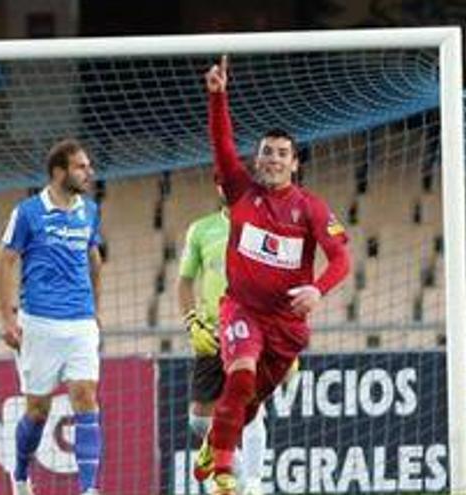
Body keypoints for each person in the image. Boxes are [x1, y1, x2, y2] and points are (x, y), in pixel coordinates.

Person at [196, 56, 351, 495]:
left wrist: (318, 290)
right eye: (267, 152)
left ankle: (214, 442)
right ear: (257, 159)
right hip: (241, 308)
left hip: (287, 326)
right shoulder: (241, 190)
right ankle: (225, 475)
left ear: (295, 163)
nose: (274, 159)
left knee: (246, 402)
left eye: (282, 154)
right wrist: (217, 96)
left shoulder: (312, 208)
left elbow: (341, 260)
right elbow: (222, 144)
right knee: (240, 376)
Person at [0, 139, 105, 495]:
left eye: (88, 166)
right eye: (80, 167)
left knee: (85, 396)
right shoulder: (27, 212)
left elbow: (94, 259)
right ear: (59, 171)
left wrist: (96, 313)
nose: (88, 172)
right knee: (38, 411)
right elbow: (5, 261)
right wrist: (7, 319)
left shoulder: (89, 210)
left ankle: (89, 489)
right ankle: (21, 475)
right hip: (39, 323)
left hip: (80, 322)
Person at [177, 191, 267, 495]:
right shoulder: (201, 229)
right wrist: (192, 322)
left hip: (251, 328)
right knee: (199, 419)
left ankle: (253, 484)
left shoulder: (264, 226)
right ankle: (239, 475)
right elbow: (184, 281)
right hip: (213, 333)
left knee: (252, 405)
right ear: (218, 186)